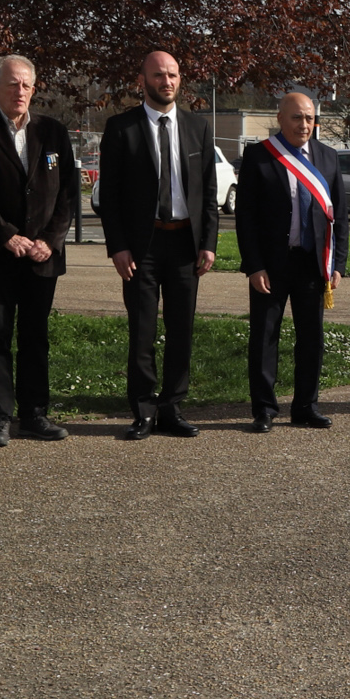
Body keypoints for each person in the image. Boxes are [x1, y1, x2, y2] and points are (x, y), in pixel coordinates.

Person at [0, 54, 78, 447]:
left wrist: (50, 240)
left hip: (42, 255)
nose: (19, 91)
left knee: (36, 335)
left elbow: (68, 193)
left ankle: (34, 414)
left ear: (34, 89)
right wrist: (6, 235)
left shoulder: (53, 132)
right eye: (11, 84)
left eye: (26, 85)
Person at [98, 50, 219, 439]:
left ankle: (172, 408)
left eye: (172, 75)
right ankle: (144, 410)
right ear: (142, 80)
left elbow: (208, 192)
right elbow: (109, 196)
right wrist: (117, 246)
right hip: (141, 248)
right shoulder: (122, 128)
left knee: (182, 330)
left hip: (185, 244)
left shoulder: (198, 127)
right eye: (158, 75)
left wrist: (208, 243)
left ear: (180, 79)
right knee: (142, 331)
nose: (166, 82)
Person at [238, 89, 349, 432]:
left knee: (311, 337)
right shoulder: (259, 156)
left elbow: (340, 216)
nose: (305, 124)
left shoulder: (328, 157)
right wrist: (254, 265)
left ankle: (306, 406)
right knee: (264, 336)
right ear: (280, 119)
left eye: (310, 118)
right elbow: (245, 217)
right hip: (271, 265)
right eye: (297, 117)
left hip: (312, 263)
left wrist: (338, 263)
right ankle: (264, 409)